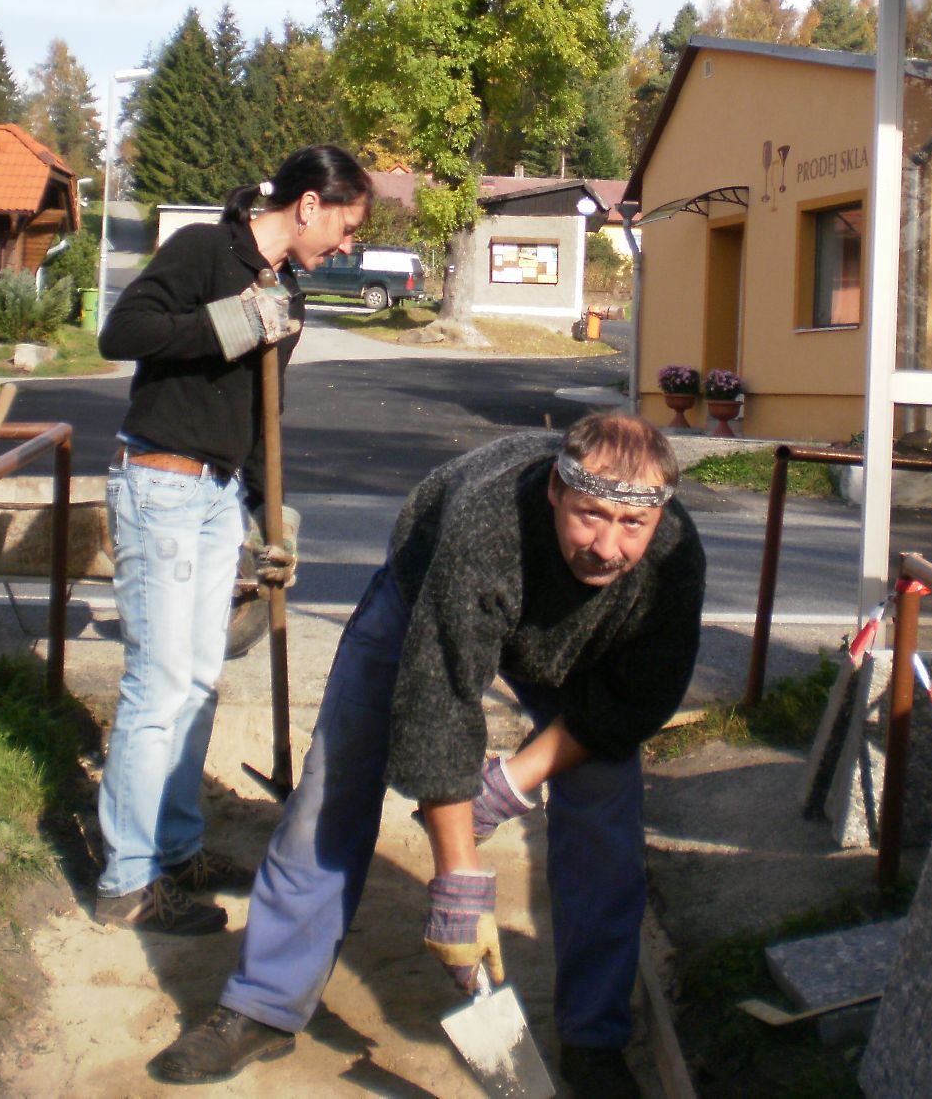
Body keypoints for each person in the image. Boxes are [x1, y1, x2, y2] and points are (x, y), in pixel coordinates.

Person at [147, 412, 705, 1099]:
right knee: (332, 788)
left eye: (631, 525)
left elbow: (631, 702)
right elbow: (442, 701)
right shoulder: (487, 527)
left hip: (578, 651)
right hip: (425, 596)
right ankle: (264, 1001)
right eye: (591, 515)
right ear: (557, 491)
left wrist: (510, 785)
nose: (608, 545)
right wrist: (459, 885)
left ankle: (595, 1039)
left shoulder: (671, 560)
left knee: (606, 812)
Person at [92, 144, 373, 934]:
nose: (346, 247)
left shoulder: (289, 295)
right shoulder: (203, 251)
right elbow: (125, 332)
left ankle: (177, 852)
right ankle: (125, 880)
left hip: (217, 497)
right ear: (309, 204)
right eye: (345, 228)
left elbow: (261, 413)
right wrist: (230, 322)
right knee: (160, 683)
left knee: (202, 679)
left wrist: (264, 515)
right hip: (161, 480)